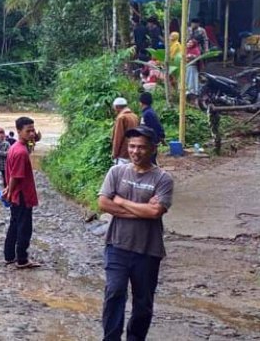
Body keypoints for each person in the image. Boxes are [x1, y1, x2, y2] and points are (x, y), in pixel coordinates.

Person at [97, 126, 174, 341]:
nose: (135, 151)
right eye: (132, 146)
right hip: (117, 245)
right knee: (114, 292)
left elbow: (156, 211)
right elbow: (103, 203)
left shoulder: (163, 179)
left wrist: (120, 201)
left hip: (148, 250)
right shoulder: (117, 172)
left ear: (152, 149)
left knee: (143, 303)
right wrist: (141, 211)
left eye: (141, 147)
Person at [2, 117, 41, 269]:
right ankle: (22, 259)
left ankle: (9, 256)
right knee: (24, 227)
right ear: (19, 131)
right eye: (28, 131)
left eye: (33, 130)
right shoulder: (20, 152)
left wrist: (8, 190)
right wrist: (10, 191)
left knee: (14, 223)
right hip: (22, 194)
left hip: (17, 194)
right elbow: (16, 176)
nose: (32, 133)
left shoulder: (15, 147)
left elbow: (12, 173)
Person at [139, 92, 165, 165]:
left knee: (149, 163)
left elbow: (156, 127)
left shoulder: (148, 114)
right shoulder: (148, 112)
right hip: (149, 142)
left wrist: (160, 137)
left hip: (149, 142)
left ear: (141, 102)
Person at [111, 97, 139, 165]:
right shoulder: (134, 116)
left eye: (114, 108)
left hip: (123, 153)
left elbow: (118, 137)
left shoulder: (121, 118)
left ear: (117, 107)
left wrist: (114, 153)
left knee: (121, 173)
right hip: (133, 149)